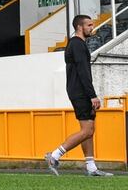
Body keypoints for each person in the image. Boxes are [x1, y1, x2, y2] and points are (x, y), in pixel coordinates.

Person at [45, 15, 113, 176]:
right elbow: (83, 72)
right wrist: (92, 95)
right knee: (87, 130)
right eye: (89, 25)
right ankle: (54, 155)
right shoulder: (77, 45)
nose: (92, 28)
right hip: (81, 92)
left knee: (89, 129)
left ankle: (91, 168)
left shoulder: (76, 43)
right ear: (79, 27)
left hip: (78, 91)